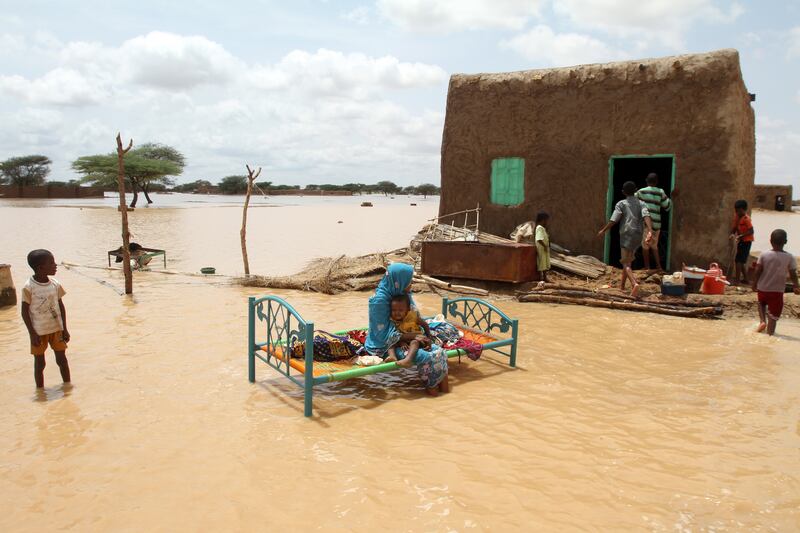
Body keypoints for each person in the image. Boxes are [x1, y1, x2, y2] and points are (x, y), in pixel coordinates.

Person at [365, 263, 449, 395]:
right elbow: (382, 335)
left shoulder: (401, 293)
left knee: (440, 352)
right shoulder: (379, 301)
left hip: (406, 337)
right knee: (426, 357)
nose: (411, 285)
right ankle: (433, 391)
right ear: (398, 281)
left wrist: (423, 336)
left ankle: (446, 394)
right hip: (385, 346)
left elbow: (414, 318)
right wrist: (411, 337)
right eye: (409, 282)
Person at [20, 249, 71, 388]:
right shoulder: (29, 287)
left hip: (56, 330)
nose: (55, 265)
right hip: (39, 332)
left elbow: (61, 306)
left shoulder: (55, 284)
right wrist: (32, 334)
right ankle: (40, 390)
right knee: (40, 364)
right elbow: (24, 312)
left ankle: (67, 387)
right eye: (52, 263)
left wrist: (64, 328)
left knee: (62, 360)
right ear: (41, 267)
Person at [597, 181, 653, 297]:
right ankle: (622, 286)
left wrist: (604, 230)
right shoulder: (642, 203)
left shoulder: (621, 204)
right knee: (628, 261)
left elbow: (614, 219)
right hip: (638, 235)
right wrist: (650, 231)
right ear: (636, 190)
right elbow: (646, 216)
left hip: (626, 234)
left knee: (625, 263)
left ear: (623, 192)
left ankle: (634, 283)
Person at [751, 229, 799, 335]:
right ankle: (770, 334)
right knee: (773, 316)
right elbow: (793, 274)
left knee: (761, 303)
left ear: (770, 241)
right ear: (785, 242)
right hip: (777, 292)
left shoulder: (764, 255)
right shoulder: (789, 257)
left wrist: (754, 284)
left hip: (763, 288)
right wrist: (796, 286)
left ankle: (762, 321)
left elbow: (757, 271)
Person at [635, 173, 671, 271]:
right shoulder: (660, 192)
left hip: (647, 224)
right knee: (654, 246)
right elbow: (667, 206)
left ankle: (647, 267)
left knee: (645, 246)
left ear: (646, 180)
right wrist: (671, 198)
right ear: (657, 182)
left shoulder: (641, 192)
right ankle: (659, 267)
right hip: (657, 224)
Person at [384, 294, 433, 368]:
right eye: (394, 310)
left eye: (400, 310)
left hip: (417, 339)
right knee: (391, 342)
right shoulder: (392, 321)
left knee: (414, 342)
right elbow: (396, 336)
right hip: (403, 340)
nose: (397, 313)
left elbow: (425, 324)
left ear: (407, 310)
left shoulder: (413, 317)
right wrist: (401, 343)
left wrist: (428, 337)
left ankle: (408, 359)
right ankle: (392, 356)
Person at [730, 199, 754, 284]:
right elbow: (734, 227)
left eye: (739, 211)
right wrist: (732, 234)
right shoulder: (737, 217)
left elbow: (751, 231)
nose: (737, 212)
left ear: (744, 210)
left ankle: (737, 280)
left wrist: (741, 236)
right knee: (741, 261)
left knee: (738, 261)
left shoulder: (746, 219)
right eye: (736, 211)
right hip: (741, 241)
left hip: (746, 241)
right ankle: (746, 279)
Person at [534, 212, 551, 282]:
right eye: (546, 220)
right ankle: (543, 277)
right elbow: (539, 239)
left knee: (544, 262)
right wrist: (545, 246)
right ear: (543, 220)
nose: (547, 222)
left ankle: (544, 277)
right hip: (541, 248)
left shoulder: (542, 228)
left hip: (543, 248)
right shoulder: (539, 228)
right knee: (542, 263)